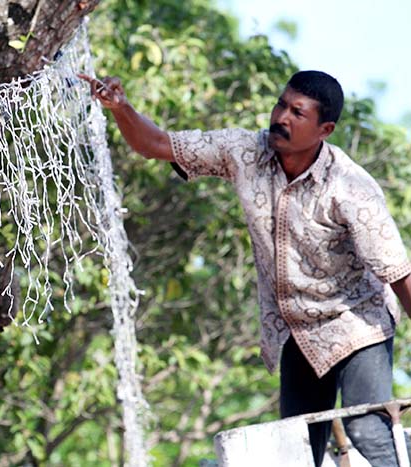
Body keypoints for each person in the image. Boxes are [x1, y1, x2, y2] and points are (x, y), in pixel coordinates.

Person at [79, 70, 411, 467]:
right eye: (281, 105)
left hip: (358, 323)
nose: (282, 118)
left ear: (325, 129)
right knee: (299, 448)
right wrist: (121, 108)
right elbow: (155, 144)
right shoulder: (244, 151)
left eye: (297, 113)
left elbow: (399, 273)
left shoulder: (350, 188)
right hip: (297, 330)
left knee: (367, 431)